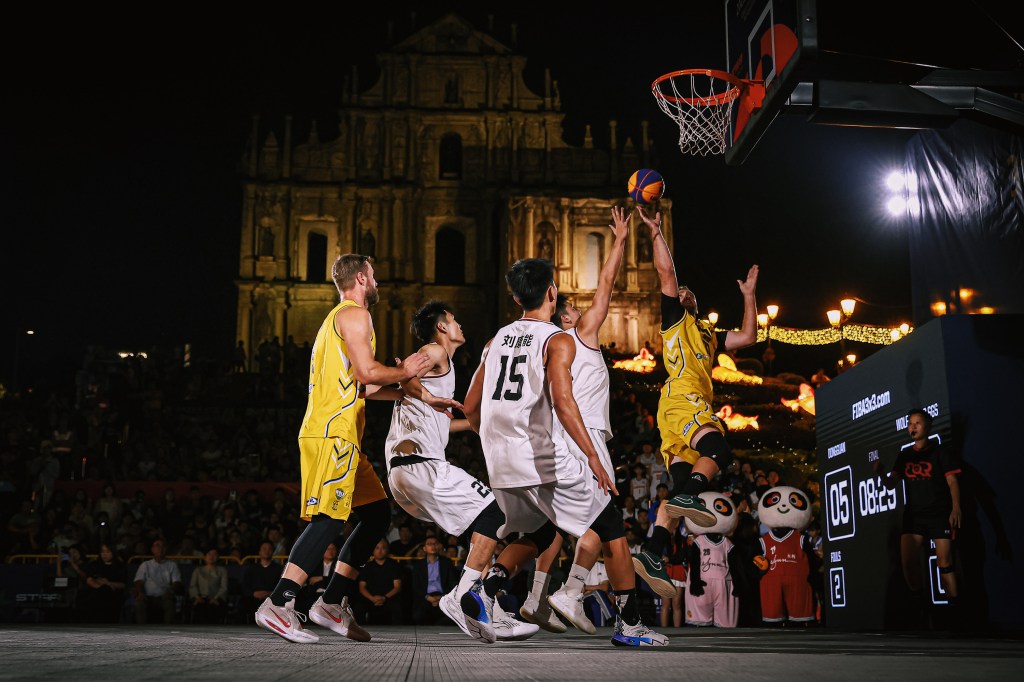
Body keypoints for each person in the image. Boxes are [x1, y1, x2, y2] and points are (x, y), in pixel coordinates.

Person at [463, 256, 656, 647]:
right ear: (551, 292)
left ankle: (487, 587)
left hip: (499, 462)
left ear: (515, 297)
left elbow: (470, 407)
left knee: (541, 531)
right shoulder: (557, 339)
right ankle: (630, 624)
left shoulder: (494, 340)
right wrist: (593, 457)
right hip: (540, 457)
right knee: (610, 524)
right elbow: (564, 404)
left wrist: (495, 440)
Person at [255, 254, 434, 644]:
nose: (377, 281)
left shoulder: (344, 319)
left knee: (376, 515)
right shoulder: (355, 314)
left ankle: (331, 601)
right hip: (331, 433)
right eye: (373, 275)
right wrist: (408, 370)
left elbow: (363, 385)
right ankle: (279, 603)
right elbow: (369, 373)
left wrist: (410, 395)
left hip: (345, 434)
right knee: (329, 519)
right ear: (361, 278)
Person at [519, 208, 667, 646]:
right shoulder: (579, 335)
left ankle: (555, 592)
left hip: (555, 444)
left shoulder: (545, 347)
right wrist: (619, 240)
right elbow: (606, 283)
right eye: (576, 309)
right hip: (583, 442)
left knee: (582, 529)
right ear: (567, 317)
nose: (585, 310)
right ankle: (623, 621)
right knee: (615, 533)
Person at [631, 206, 759, 599]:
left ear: (698, 302)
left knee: (680, 491)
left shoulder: (708, 333)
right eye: (680, 291)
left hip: (676, 411)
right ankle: (687, 499)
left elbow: (749, 337)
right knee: (718, 452)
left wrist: (749, 297)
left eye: (689, 291)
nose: (683, 291)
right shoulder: (676, 320)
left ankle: (653, 552)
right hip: (682, 397)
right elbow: (667, 274)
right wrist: (656, 233)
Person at [383, 299, 509, 642]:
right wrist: (427, 396)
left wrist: (473, 425)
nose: (459, 325)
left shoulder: (444, 368)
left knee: (478, 530)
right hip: (419, 465)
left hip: (405, 473)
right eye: (454, 320)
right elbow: (407, 379)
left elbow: (436, 421)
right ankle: (463, 595)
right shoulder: (435, 351)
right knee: (495, 512)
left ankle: (491, 610)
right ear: (442, 327)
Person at [881, 408, 962, 618]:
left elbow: (952, 481)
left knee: (944, 563)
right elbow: (891, 483)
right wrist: (880, 473)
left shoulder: (940, 452)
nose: (913, 427)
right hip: (914, 516)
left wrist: (956, 507)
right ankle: (920, 610)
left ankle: (956, 613)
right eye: (910, 423)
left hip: (939, 513)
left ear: (928, 425)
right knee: (908, 564)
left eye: (917, 423)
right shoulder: (905, 455)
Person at [411, 537, 458, 625]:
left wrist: (442, 597)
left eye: (435, 544)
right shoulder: (418, 565)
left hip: (443, 596)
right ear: (424, 548)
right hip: (426, 596)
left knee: (450, 619)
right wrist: (428, 597)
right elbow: (416, 586)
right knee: (418, 617)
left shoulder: (447, 563)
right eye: (429, 544)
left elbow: (452, 582)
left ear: (439, 546)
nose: (433, 546)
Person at [133, 539, 182, 624]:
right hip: (147, 597)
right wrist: (140, 592)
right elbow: (139, 581)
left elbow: (177, 582)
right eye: (158, 546)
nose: (161, 548)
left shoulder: (172, 565)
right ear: (152, 549)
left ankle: (168, 630)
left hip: (164, 597)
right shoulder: (146, 564)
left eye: (163, 546)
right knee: (139, 604)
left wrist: (170, 591)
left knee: (169, 604)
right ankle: (141, 629)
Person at [357, 539, 403, 625]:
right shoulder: (367, 567)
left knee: (397, 607)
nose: (380, 551)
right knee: (359, 607)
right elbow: (362, 587)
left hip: (388, 597)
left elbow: (397, 587)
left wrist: (384, 598)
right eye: (377, 548)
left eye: (383, 548)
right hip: (371, 597)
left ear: (387, 550)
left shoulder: (394, 566)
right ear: (373, 550)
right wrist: (372, 598)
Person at [82, 543, 126, 623]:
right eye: (102, 552)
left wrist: (108, 583)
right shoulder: (94, 564)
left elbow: (123, 584)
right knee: (97, 595)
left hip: (113, 594)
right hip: (96, 591)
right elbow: (89, 580)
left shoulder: (120, 566)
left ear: (113, 552)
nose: (104, 554)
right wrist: (104, 587)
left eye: (108, 552)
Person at [189, 548, 229, 624]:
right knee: (199, 607)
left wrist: (216, 598)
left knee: (213, 608)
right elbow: (193, 586)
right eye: (209, 554)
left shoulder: (222, 570)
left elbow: (224, 587)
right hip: (201, 598)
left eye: (214, 554)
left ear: (218, 557)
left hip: (216, 598)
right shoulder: (198, 570)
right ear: (205, 557)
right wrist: (197, 597)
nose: (211, 556)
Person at [242, 541, 283, 615]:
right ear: (259, 552)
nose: (267, 551)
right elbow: (245, 586)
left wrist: (271, 594)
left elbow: (282, 586)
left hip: (272, 600)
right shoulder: (251, 569)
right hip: (253, 599)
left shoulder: (279, 569)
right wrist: (253, 594)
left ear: (272, 552)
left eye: (269, 549)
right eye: (264, 549)